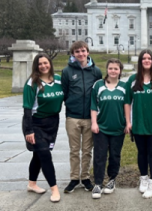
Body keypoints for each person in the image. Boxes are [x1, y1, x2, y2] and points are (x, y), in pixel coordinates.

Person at [124, 49, 152, 199]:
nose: (147, 60)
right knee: (141, 152)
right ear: (140, 61)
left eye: (149, 58)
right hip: (138, 123)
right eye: (144, 58)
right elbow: (127, 102)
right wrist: (128, 122)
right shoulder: (132, 80)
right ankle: (143, 177)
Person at [22, 53, 64, 203]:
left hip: (52, 123)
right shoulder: (32, 83)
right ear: (36, 66)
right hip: (35, 123)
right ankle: (54, 189)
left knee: (38, 155)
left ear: (50, 64)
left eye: (46, 63)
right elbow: (27, 108)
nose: (43, 66)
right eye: (40, 64)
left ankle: (31, 184)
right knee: (45, 154)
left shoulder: (59, 80)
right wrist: (29, 130)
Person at [61, 41, 102, 193]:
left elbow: (99, 92)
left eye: (83, 51)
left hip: (90, 117)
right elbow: (64, 93)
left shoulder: (96, 71)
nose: (81, 54)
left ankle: (85, 178)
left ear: (88, 52)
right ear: (73, 54)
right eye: (77, 51)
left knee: (86, 150)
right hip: (73, 116)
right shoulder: (67, 71)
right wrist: (71, 105)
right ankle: (73, 178)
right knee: (74, 149)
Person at [90, 59, 126, 199]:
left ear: (120, 71)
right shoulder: (98, 85)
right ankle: (98, 183)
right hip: (101, 128)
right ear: (107, 69)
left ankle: (112, 180)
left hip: (118, 128)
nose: (113, 71)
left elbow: (127, 106)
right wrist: (94, 123)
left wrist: (127, 123)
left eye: (116, 69)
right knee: (99, 156)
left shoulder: (124, 86)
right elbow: (93, 106)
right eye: (110, 68)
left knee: (115, 155)